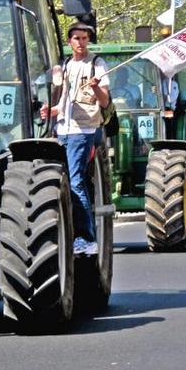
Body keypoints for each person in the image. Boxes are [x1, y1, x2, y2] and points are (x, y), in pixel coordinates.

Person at [41, 22, 110, 255]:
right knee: (64, 180)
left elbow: (104, 101)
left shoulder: (97, 64)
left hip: (83, 130)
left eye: (84, 38)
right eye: (77, 38)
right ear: (69, 41)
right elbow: (64, 101)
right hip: (63, 128)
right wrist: (51, 112)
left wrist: (97, 87)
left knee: (77, 181)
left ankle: (87, 239)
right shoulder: (65, 65)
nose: (81, 42)